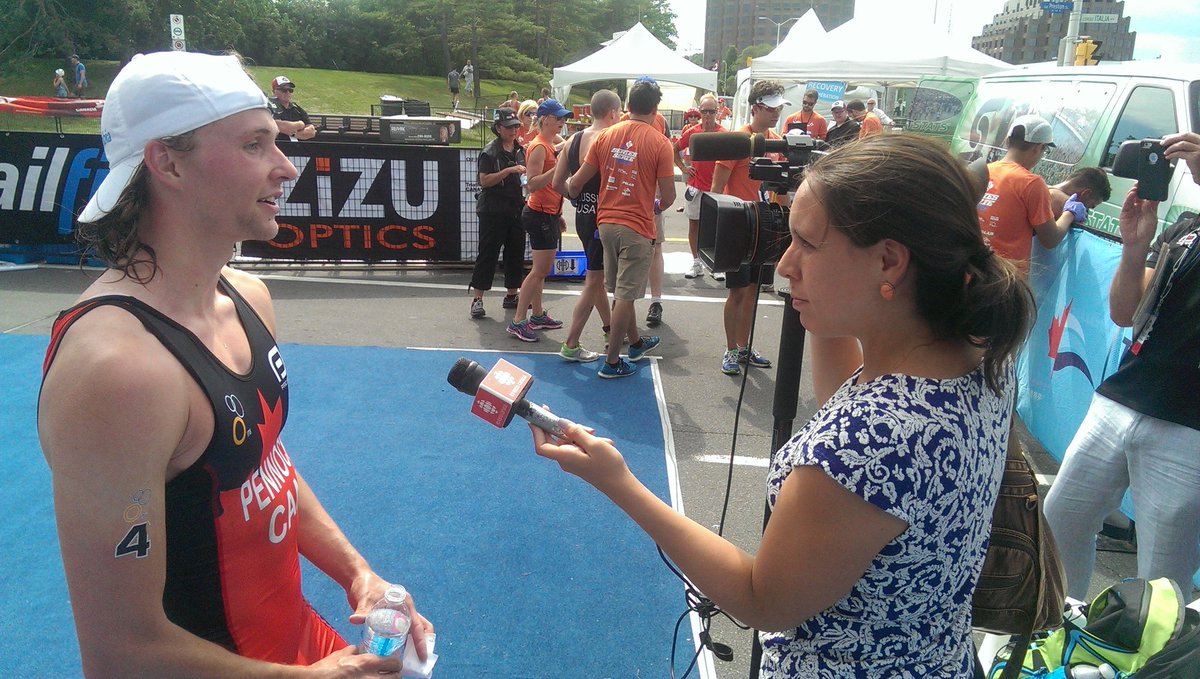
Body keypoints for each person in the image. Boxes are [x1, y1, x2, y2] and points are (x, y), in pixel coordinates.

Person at [531, 133, 1034, 677]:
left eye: (807, 244)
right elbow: (847, 395)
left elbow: (762, 600)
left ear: (889, 261)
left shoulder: (867, 445)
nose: (784, 264)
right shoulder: (974, 359)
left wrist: (618, 481)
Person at [38, 50, 432, 677]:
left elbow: (261, 468)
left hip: (295, 646)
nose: (285, 169)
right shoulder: (118, 370)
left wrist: (359, 574)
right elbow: (120, 653)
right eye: (255, 146)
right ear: (166, 161)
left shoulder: (247, 297)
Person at [1044, 132, 1200, 600]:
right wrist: (1135, 247)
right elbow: (1125, 313)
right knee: (1060, 521)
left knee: (1162, 579)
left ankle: (1152, 669)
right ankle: (1061, 631)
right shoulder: (1186, 226)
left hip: (1189, 425)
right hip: (1123, 395)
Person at [566, 77, 675, 379]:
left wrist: (566, 188)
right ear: (655, 108)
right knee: (625, 296)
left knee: (619, 292)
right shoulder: (659, 142)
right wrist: (653, 207)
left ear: (627, 105)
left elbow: (576, 183)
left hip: (605, 224)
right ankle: (612, 361)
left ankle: (637, 343)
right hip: (636, 225)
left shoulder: (605, 136)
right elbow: (668, 196)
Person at [711, 80, 786, 376]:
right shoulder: (738, 140)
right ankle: (731, 348)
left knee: (754, 291)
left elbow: (779, 188)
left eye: (779, 108)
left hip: (766, 226)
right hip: (739, 224)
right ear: (756, 108)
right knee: (738, 291)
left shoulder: (778, 141)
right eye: (771, 107)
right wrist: (718, 231)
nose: (775, 113)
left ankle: (744, 346)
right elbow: (716, 189)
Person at [553, 89, 622, 363]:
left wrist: (578, 198)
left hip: (584, 215)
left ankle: (609, 330)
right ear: (613, 113)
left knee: (597, 276)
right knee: (594, 281)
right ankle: (571, 343)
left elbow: (558, 183)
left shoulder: (573, 139)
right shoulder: (609, 138)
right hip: (603, 218)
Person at [507, 99, 572, 342]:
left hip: (548, 212)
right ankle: (518, 320)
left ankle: (535, 315)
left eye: (563, 119)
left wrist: (559, 214)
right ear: (545, 119)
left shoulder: (548, 143)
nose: (562, 123)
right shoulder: (539, 147)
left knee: (540, 270)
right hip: (539, 213)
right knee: (539, 270)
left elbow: (565, 148)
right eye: (558, 118)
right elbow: (532, 183)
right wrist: (556, 171)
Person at [976, 114, 1075, 273]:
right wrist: (1069, 213)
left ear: (1007, 141)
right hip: (1007, 279)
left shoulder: (983, 170)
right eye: (1045, 150)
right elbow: (1050, 239)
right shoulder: (1031, 183)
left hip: (973, 270)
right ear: (1038, 147)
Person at [469, 107, 527, 318]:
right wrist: (507, 171)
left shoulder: (521, 149)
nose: (514, 131)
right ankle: (477, 299)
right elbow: (484, 181)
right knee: (488, 253)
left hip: (515, 207)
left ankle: (512, 294)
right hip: (493, 209)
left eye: (516, 127)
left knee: (515, 252)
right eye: (509, 127)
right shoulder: (490, 152)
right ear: (498, 128)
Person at [676, 93, 726, 280]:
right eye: (703, 111)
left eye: (711, 111)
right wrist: (683, 168)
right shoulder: (692, 132)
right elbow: (674, 149)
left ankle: (716, 264)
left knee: (716, 227)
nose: (707, 115)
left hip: (716, 189)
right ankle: (696, 262)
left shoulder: (723, 134)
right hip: (696, 187)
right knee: (694, 225)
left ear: (717, 112)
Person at [268, 75, 316, 141]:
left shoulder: (296, 108)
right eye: (284, 90)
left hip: (296, 147)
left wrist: (293, 134)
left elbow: (311, 131)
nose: (288, 92)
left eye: (290, 90)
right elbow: (277, 124)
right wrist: (300, 124)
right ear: (274, 91)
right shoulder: (269, 105)